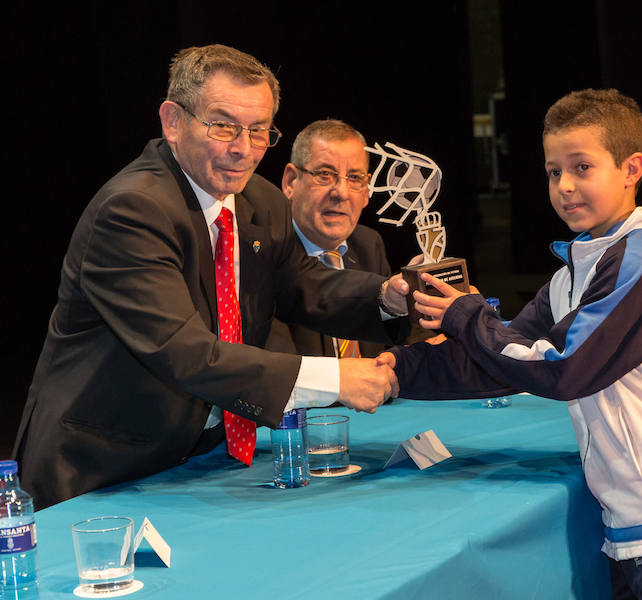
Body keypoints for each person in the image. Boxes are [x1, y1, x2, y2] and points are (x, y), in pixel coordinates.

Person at [13, 44, 410, 510]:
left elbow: (307, 285)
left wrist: (387, 297)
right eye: (223, 126)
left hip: (200, 461)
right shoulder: (131, 211)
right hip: (102, 471)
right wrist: (334, 378)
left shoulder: (257, 199)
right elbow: (187, 353)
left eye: (259, 130)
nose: (243, 149)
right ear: (173, 121)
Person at [380, 89, 642, 599]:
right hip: (636, 509)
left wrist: (467, 316)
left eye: (582, 167)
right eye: (554, 172)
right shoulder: (572, 273)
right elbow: (502, 360)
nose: (566, 186)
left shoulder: (638, 261)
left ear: (631, 168)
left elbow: (565, 370)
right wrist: (395, 371)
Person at [266, 119, 394, 359]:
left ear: (366, 192)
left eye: (355, 178)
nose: (341, 193)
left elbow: (389, 341)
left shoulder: (368, 244)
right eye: (325, 175)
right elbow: (280, 365)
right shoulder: (266, 255)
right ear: (290, 181)